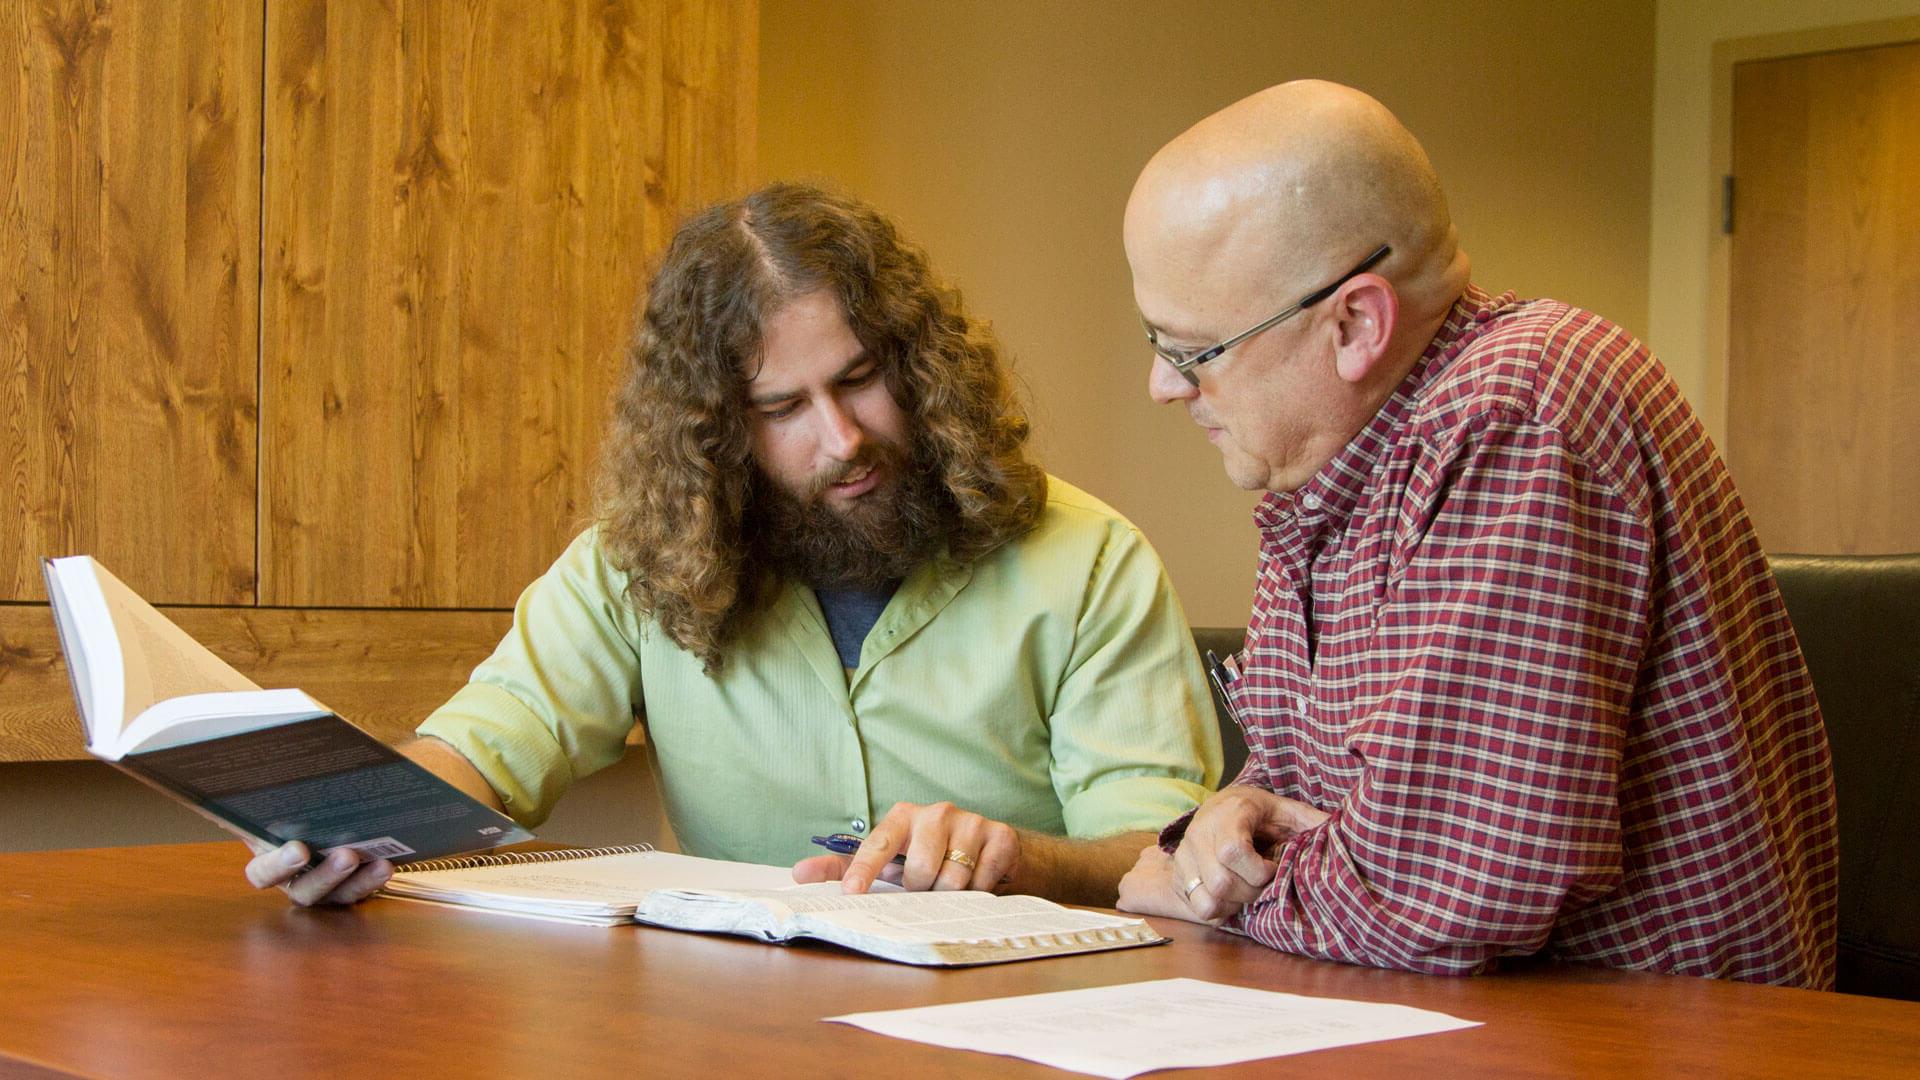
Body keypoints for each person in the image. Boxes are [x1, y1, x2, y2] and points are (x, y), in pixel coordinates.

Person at [247, 183, 1219, 907]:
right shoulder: (636, 565)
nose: (842, 438)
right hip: (738, 1029)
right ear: (717, 430)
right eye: (783, 408)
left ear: (920, 364)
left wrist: (1018, 856)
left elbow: (1163, 855)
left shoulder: (1092, 560)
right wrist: (354, 829)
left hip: (1024, 1020)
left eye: (862, 378)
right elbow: (489, 746)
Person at [1115, 81, 1837, 988]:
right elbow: (1305, 808)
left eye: (1193, 351)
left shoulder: (1517, 414)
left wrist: (1204, 891)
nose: (1164, 387)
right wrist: (1236, 818)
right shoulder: (1332, 464)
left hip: (1643, 1046)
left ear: (1355, 323)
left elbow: (1433, 901)